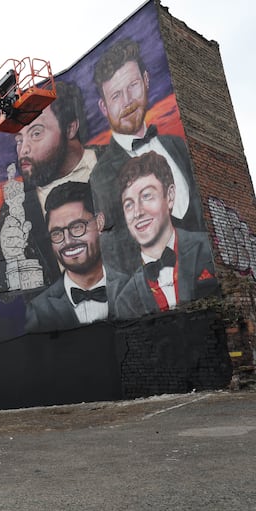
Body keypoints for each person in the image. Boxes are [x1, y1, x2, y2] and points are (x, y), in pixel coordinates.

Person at [90, 38, 204, 275]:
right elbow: (116, 253)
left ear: (146, 80)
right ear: (103, 107)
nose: (128, 101)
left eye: (133, 85)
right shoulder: (101, 176)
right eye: (116, 96)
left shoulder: (176, 145)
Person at [0, 81, 98, 293]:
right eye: (19, 140)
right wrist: (9, 256)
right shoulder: (15, 205)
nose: (23, 150)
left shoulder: (115, 164)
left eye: (36, 133)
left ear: (70, 128)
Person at [114, 152, 218, 318]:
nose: (137, 212)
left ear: (169, 196)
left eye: (147, 196)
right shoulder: (126, 300)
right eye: (128, 204)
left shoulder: (207, 249)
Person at [25, 181, 129, 332]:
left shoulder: (133, 287)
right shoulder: (37, 312)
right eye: (57, 233)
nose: (68, 241)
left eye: (77, 227)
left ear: (99, 222)